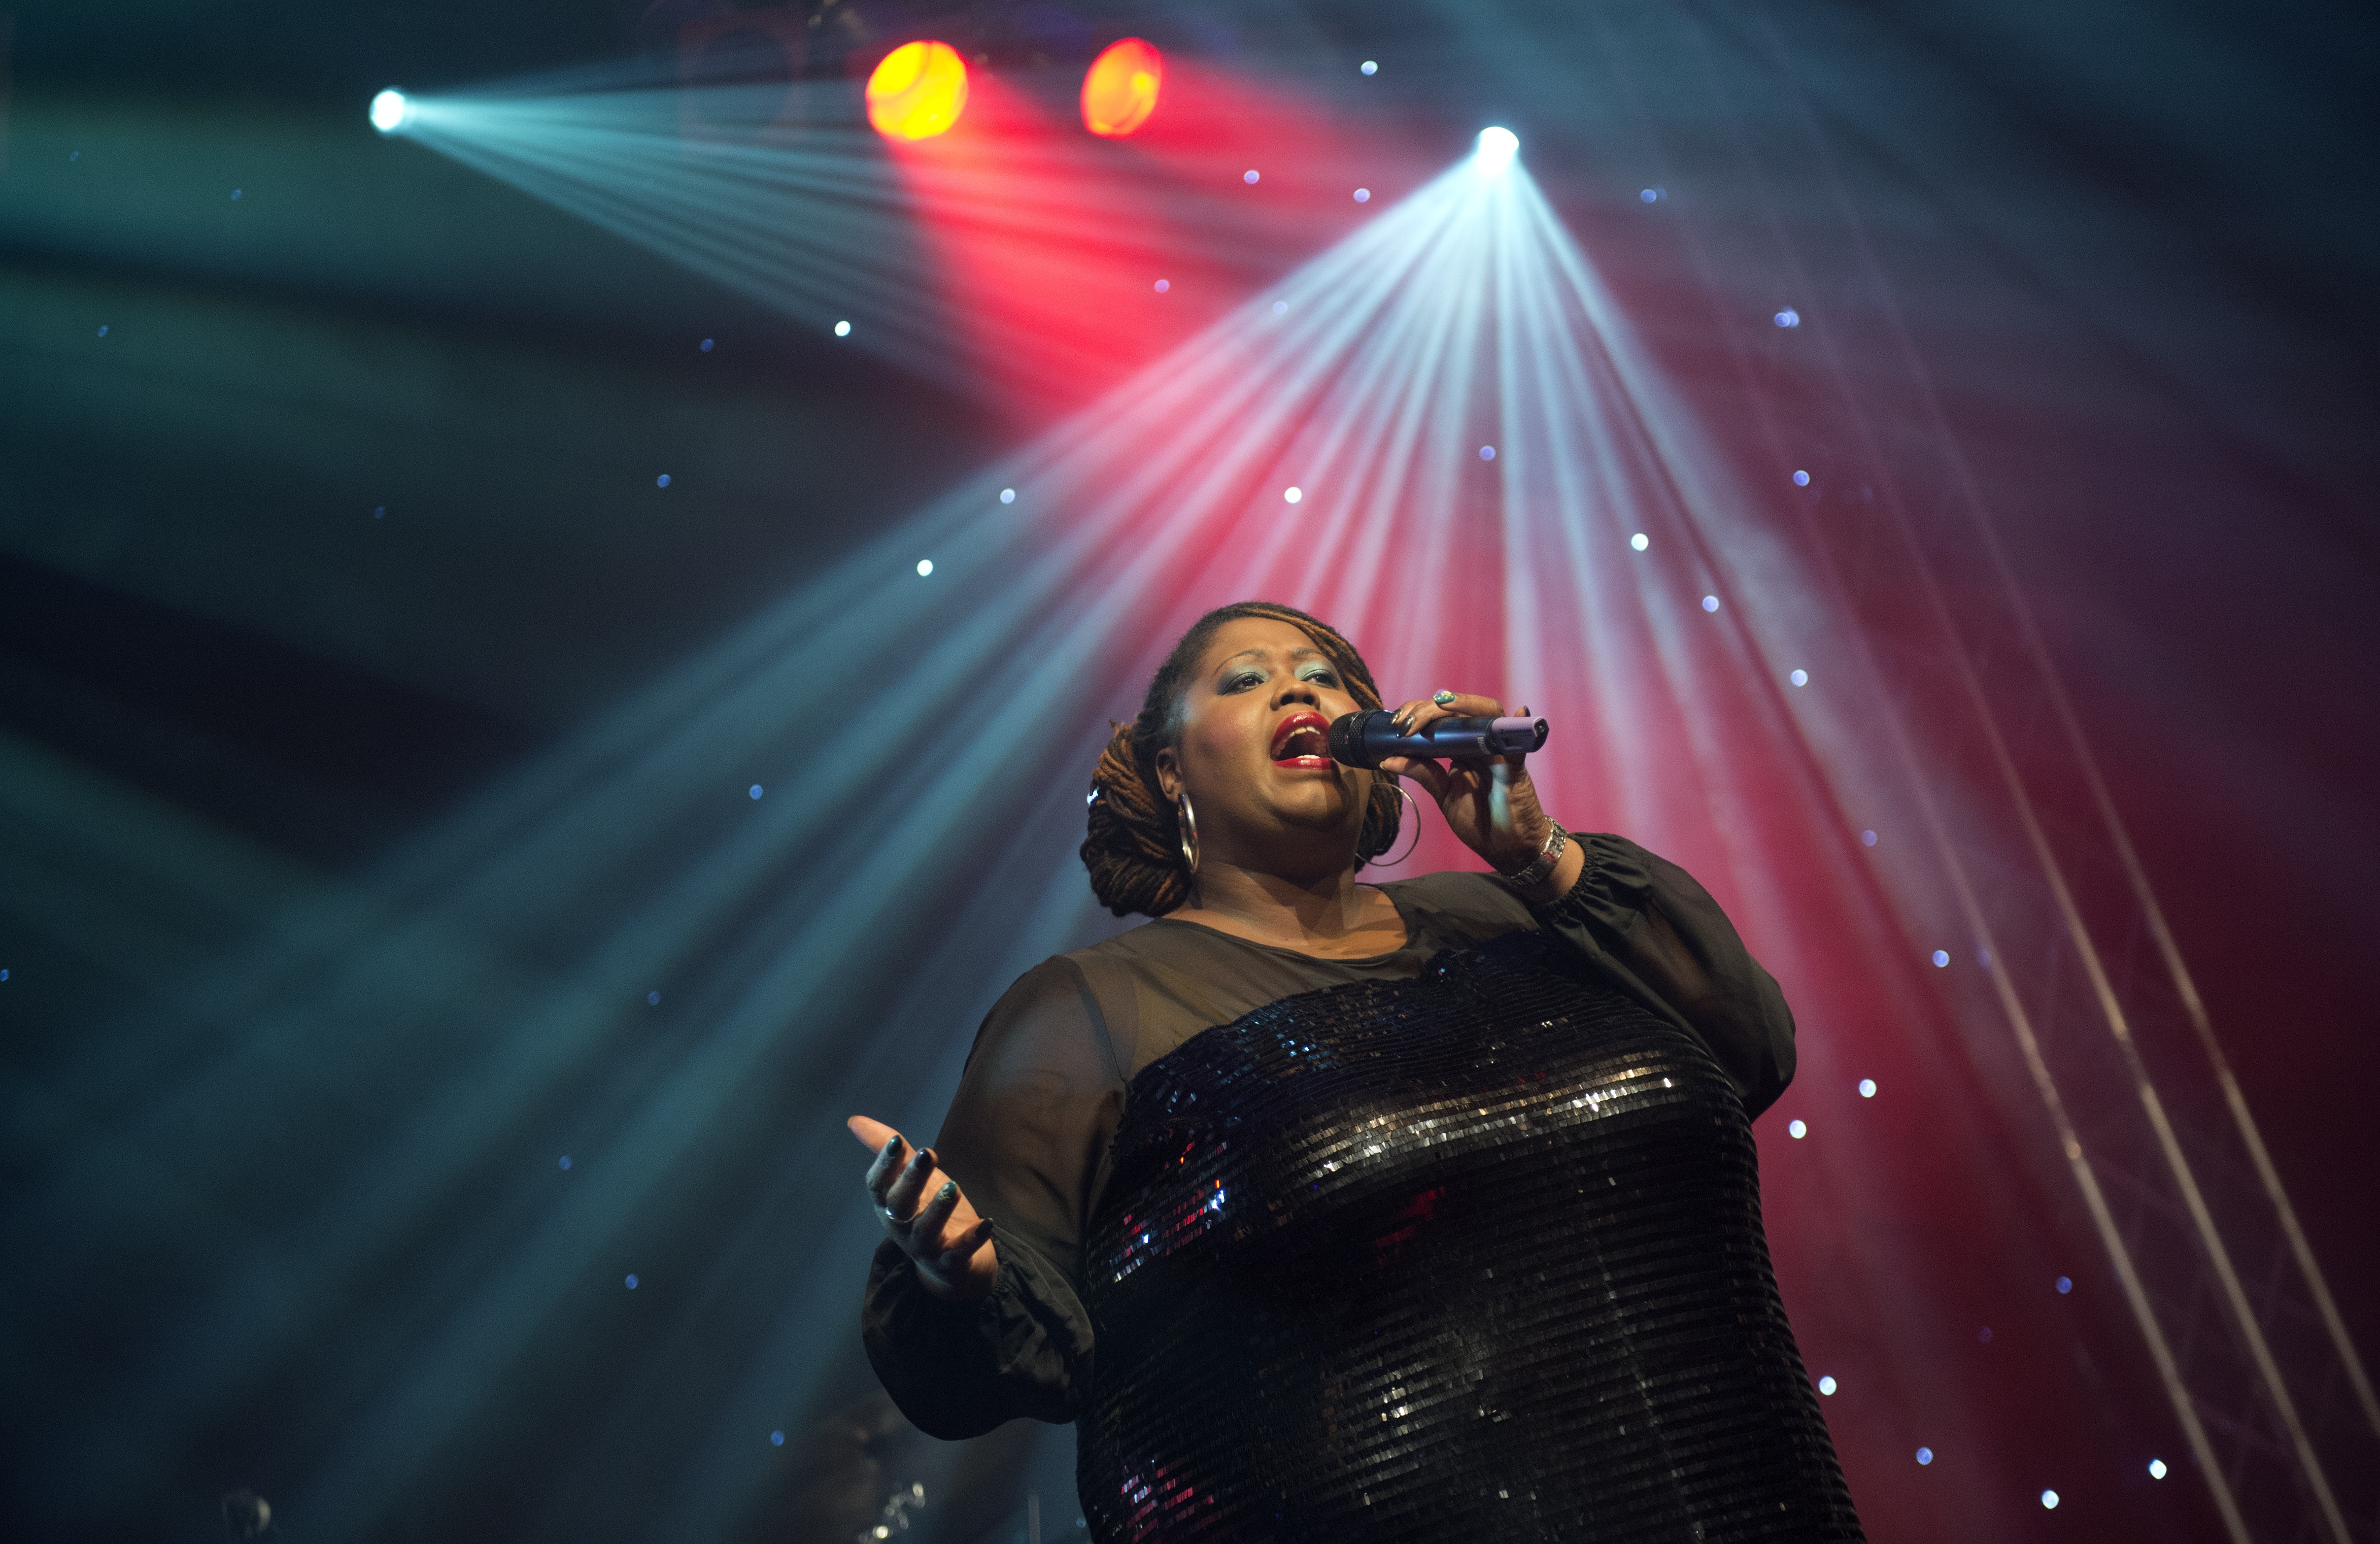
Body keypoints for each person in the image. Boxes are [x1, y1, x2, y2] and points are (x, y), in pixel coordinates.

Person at [850, 601, 1863, 1541]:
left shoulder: (1517, 917)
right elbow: (990, 1368)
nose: (1300, 689)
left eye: (1325, 676)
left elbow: (1747, 1046)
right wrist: (956, 1281)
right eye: (1245, 680)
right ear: (1169, 770)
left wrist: (1536, 853)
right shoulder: (1092, 1009)